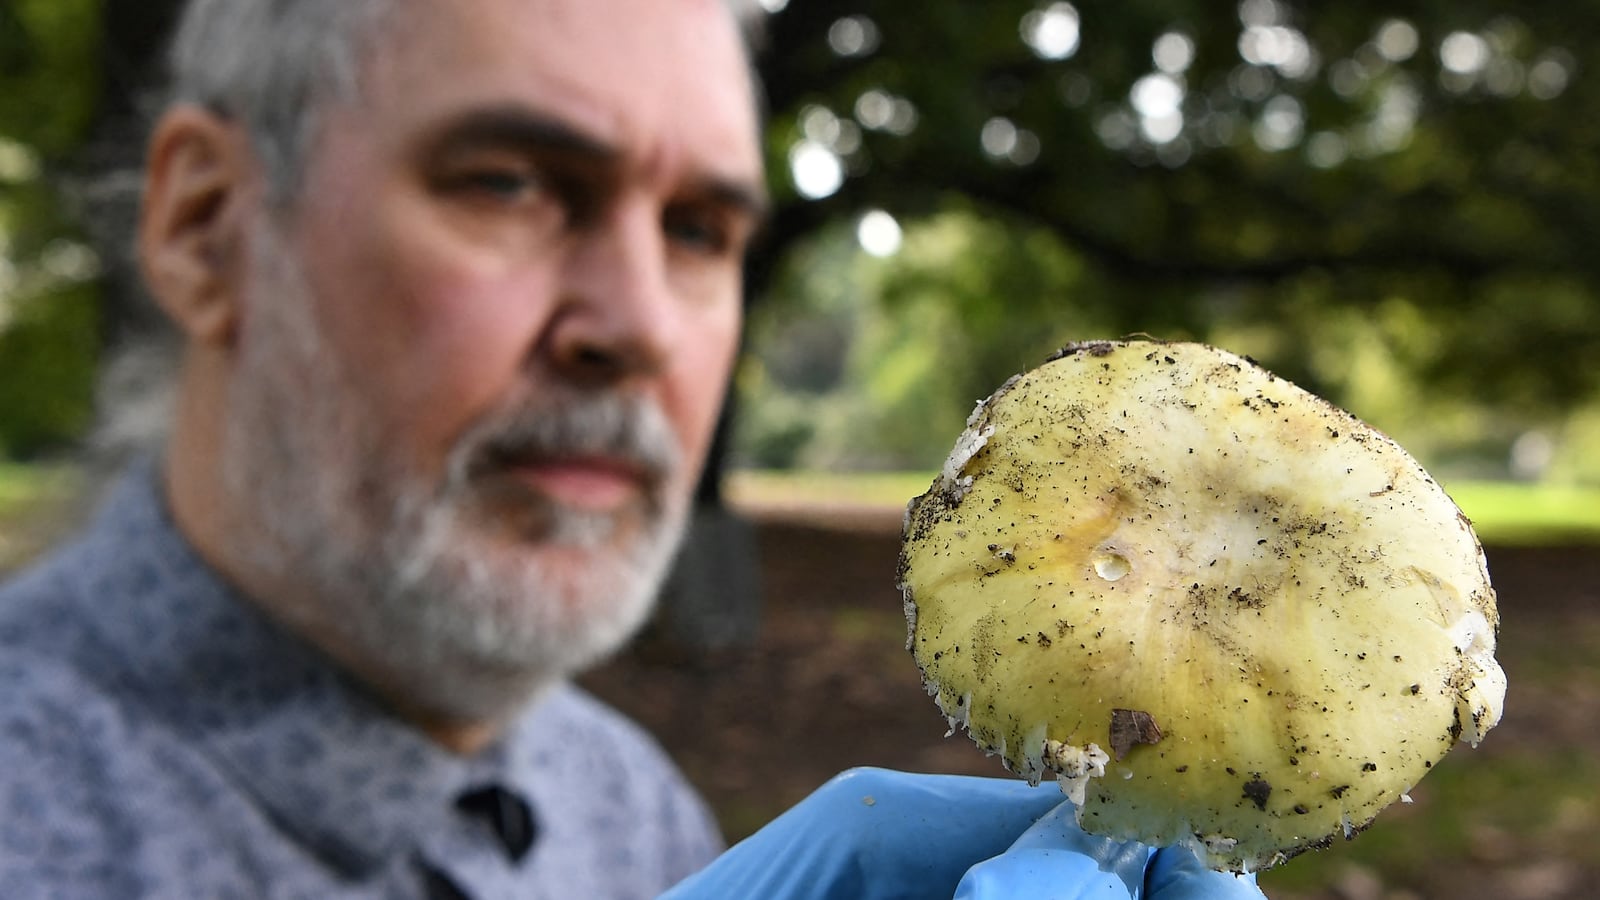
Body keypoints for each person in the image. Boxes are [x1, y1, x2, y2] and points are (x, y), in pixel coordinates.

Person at [0, 0, 1265, 897]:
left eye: (702, 230)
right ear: (209, 229)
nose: (646, 327)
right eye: (509, 182)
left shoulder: (629, 805)